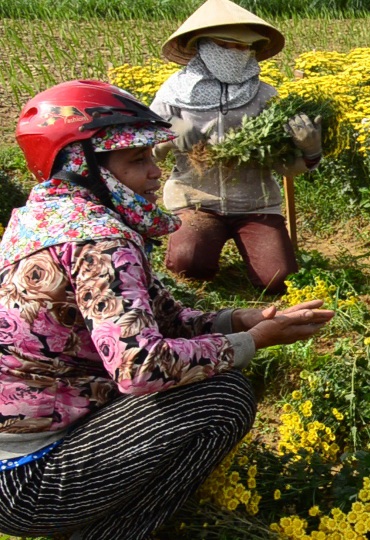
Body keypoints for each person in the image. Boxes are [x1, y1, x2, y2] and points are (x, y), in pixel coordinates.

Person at [0, 80, 333, 540]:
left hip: (20, 456)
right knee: (223, 396)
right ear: (83, 165)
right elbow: (141, 367)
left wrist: (238, 320)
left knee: (205, 374)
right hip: (29, 481)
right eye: (136, 161)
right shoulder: (99, 241)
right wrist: (250, 343)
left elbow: (161, 318)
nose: (156, 173)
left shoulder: (45, 219)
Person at [150, 0, 322, 294]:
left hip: (255, 204)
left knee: (278, 279)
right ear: (204, 46)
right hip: (196, 202)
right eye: (230, 46)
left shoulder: (265, 96)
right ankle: (201, 247)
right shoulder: (172, 95)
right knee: (189, 264)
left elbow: (284, 166)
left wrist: (309, 150)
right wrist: (166, 133)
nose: (241, 54)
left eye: (247, 47)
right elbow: (145, 153)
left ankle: (256, 249)